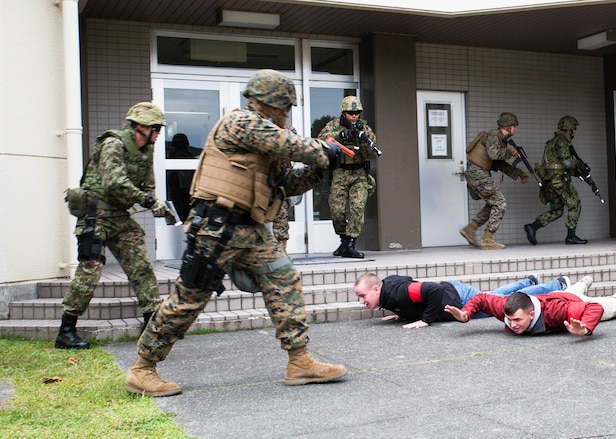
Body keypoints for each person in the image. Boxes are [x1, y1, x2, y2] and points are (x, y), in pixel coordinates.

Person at [124, 69, 348, 397]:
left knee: (285, 280)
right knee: (189, 299)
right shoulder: (241, 123)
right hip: (216, 228)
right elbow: (287, 143)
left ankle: (299, 361)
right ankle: (142, 369)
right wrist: (323, 150)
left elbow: (284, 186)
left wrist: (319, 170)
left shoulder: (267, 137)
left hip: (251, 230)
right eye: (285, 107)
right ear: (272, 103)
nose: (287, 114)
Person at [56, 102, 172, 350]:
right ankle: (66, 330)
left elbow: (148, 183)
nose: (159, 133)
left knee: (141, 265)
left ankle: (152, 322)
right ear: (141, 127)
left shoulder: (145, 150)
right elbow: (114, 182)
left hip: (119, 217)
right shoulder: (113, 144)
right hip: (95, 216)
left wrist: (155, 201)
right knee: (90, 271)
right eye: (156, 128)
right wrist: (148, 201)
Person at [445, 275, 616, 336]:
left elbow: (594, 308)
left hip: (575, 304)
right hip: (558, 295)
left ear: (532, 315)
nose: (512, 324)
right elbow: (481, 299)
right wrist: (466, 314)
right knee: (570, 293)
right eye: (510, 319)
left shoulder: (557, 313)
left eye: (517, 320)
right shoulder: (505, 307)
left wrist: (584, 328)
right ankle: (583, 283)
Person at [353, 272, 570, 329]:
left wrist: (425, 320)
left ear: (375, 288)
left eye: (363, 295)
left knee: (503, 303)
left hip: (457, 297)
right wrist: (404, 313)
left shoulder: (397, 293)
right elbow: (410, 289)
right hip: (455, 292)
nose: (362, 301)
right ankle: (528, 280)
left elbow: (432, 289)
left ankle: (557, 285)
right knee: (496, 296)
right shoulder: (387, 292)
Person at [318, 96, 378, 259]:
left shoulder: (364, 128)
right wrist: (341, 135)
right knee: (336, 211)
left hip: (359, 173)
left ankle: (351, 243)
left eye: (357, 112)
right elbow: (320, 141)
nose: (354, 115)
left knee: (357, 208)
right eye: (351, 112)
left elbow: (373, 151)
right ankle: (344, 240)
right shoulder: (333, 125)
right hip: (340, 172)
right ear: (343, 113)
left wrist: (363, 140)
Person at [460, 112, 529, 250]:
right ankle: (487, 239)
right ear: (509, 127)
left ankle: (470, 228)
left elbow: (498, 164)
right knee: (500, 202)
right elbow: (494, 154)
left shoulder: (499, 139)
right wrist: (511, 152)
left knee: (493, 203)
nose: (516, 129)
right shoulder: (493, 136)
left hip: (478, 173)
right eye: (515, 127)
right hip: (477, 173)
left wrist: (518, 173)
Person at [524, 115, 589, 246]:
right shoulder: (562, 141)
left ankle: (533, 226)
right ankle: (571, 236)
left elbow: (556, 164)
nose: (575, 131)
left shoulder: (551, 142)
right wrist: (578, 164)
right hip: (559, 181)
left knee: (557, 210)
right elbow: (567, 163)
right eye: (574, 128)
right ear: (569, 129)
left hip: (549, 182)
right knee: (575, 204)